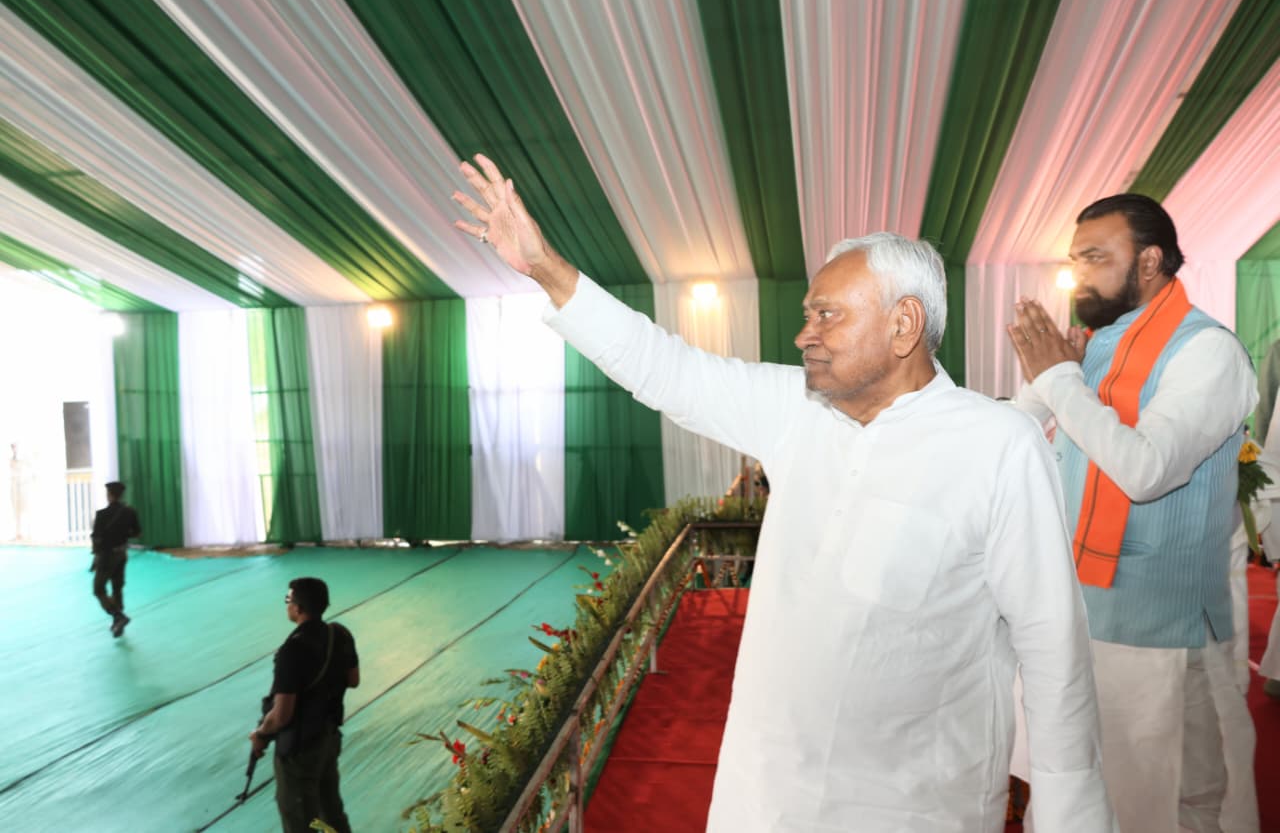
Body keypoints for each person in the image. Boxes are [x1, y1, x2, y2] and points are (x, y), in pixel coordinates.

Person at [453, 155, 1115, 832]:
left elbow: (1052, 648)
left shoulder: (997, 444)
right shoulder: (794, 409)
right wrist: (544, 267)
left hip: (915, 807)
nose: (806, 334)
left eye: (828, 315)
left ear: (904, 324)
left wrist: (1069, 819)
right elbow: (665, 368)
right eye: (808, 314)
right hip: (767, 796)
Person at [1009, 193, 1259, 833]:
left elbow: (1146, 471)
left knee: (1157, 800)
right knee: (1075, 790)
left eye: (1096, 257)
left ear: (1149, 261)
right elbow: (1016, 437)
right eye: (1075, 259)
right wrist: (1040, 384)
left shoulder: (1207, 352)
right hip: (1079, 607)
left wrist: (1059, 382)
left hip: (1157, 625)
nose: (1078, 274)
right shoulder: (1097, 345)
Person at [251, 577, 359, 833]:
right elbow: (353, 680)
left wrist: (261, 734)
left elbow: (282, 715)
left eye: (288, 600)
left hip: (300, 749)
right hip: (328, 738)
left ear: (298, 608)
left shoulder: (292, 650)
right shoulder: (340, 634)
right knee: (331, 811)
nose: (287, 605)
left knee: (300, 820)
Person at [90, 480, 141, 637]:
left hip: (106, 556)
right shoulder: (130, 512)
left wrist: (96, 558)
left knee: (99, 589)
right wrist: (123, 535)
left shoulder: (102, 514)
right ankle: (118, 625)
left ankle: (118, 616)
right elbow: (137, 532)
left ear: (109, 494)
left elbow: (96, 538)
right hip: (121, 554)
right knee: (117, 588)